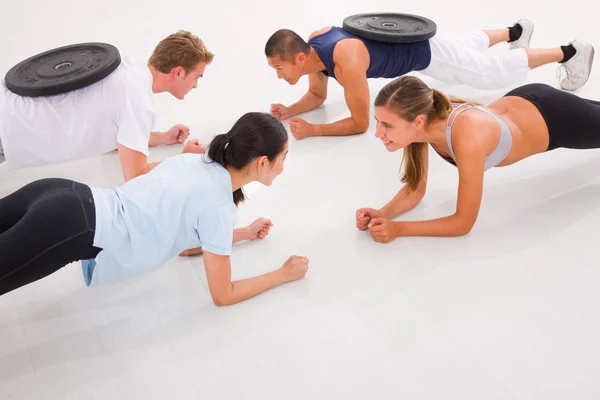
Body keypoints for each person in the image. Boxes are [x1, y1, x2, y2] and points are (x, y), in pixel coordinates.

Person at [0, 112, 309, 306]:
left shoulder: (197, 162)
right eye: (283, 158)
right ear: (262, 162)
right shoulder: (218, 205)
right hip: (69, 226)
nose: (283, 166)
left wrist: (241, 233)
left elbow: (181, 244)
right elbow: (223, 295)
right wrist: (282, 274)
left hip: (62, 192)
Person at [355, 75, 600, 243]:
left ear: (417, 121)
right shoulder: (424, 126)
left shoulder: (467, 136)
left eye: (387, 125)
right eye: (378, 122)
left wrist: (400, 229)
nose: (378, 133)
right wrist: (383, 213)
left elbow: (463, 223)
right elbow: (416, 190)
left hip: (556, 118)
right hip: (527, 101)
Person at [264, 19, 595, 140]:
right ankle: (517, 31)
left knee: (488, 73)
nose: (279, 76)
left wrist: (315, 130)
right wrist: (290, 110)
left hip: (425, 54)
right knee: (466, 48)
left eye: (280, 68)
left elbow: (360, 122)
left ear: (299, 58)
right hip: (421, 42)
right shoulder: (315, 44)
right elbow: (318, 97)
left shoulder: (344, 60)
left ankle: (569, 52)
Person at [0, 30, 212, 181]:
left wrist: (162, 137)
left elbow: (118, 132)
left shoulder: (128, 68)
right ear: (178, 72)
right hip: (8, 128)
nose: (195, 85)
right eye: (196, 77)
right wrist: (184, 159)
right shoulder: (138, 101)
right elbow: (137, 177)